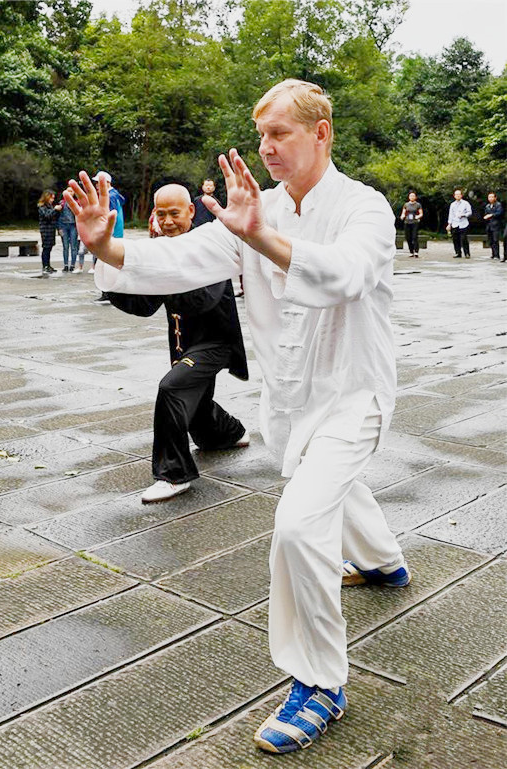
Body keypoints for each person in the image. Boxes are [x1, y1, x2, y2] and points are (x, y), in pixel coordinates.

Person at [65, 78, 410, 756]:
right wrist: (106, 247)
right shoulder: (258, 208)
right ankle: (384, 562)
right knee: (329, 481)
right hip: (290, 403)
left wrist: (263, 237)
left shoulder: (364, 208)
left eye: (279, 133)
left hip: (355, 393)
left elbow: (343, 275)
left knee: (299, 523)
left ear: (321, 132)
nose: (266, 147)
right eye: (261, 136)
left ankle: (318, 682)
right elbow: (178, 257)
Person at [107, 183, 249, 503]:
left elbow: (203, 300)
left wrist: (164, 270)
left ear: (190, 211)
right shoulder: (163, 248)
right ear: (153, 215)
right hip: (183, 343)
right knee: (194, 405)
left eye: (175, 213)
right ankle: (230, 433)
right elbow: (143, 305)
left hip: (214, 343)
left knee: (171, 388)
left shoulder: (208, 246)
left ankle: (174, 475)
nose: (169, 221)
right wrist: (111, 269)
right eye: (162, 214)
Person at [91, 170, 125, 301]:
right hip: (114, 234)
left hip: (109, 235)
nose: (96, 185)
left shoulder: (109, 197)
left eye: (98, 183)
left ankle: (107, 293)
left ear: (107, 183)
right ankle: (109, 292)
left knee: (104, 264)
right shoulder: (115, 195)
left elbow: (106, 218)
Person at [37, 190, 62, 274]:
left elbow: (54, 217)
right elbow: (47, 215)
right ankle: (45, 266)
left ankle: (48, 265)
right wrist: (55, 209)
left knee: (50, 247)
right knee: (46, 248)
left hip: (51, 229)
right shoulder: (42, 206)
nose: (52, 200)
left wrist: (57, 211)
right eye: (51, 198)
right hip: (45, 230)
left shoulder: (50, 206)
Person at [57, 181, 79, 272]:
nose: (70, 193)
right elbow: (57, 216)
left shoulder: (77, 202)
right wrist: (59, 228)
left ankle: (72, 265)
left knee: (73, 246)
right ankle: (66, 265)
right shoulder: (61, 202)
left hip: (73, 226)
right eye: (68, 191)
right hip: (63, 226)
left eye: (71, 191)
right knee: (65, 246)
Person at [447, 188, 472, 258]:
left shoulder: (465, 203)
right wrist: (449, 224)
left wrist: (464, 215)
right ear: (454, 196)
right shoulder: (452, 204)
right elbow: (450, 215)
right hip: (455, 223)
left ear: (461, 195)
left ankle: (467, 253)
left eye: (459, 194)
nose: (457, 196)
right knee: (455, 239)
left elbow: (469, 212)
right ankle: (458, 253)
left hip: (463, 223)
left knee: (464, 239)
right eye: (456, 194)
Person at [400, 190, 423, 257]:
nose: (412, 197)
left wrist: (418, 216)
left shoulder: (418, 205)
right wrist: (402, 216)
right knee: (408, 237)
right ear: (409, 197)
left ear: (415, 197)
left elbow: (421, 213)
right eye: (411, 196)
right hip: (407, 222)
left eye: (413, 196)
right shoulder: (406, 204)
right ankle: (411, 251)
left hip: (414, 222)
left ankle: (416, 251)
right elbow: (403, 212)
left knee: (414, 237)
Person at [483, 192, 503, 260]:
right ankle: (493, 254)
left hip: (496, 225)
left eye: (492, 197)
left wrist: (491, 215)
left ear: (495, 198)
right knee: (490, 240)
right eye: (489, 197)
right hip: (489, 225)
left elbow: (499, 213)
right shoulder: (487, 206)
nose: (490, 198)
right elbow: (485, 213)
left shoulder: (498, 205)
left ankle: (497, 255)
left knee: (495, 240)